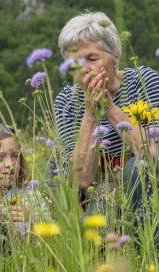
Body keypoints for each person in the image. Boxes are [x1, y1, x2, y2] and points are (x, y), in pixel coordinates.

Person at [54, 12, 159, 199]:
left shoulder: (143, 80)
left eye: (93, 59)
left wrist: (109, 108)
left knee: (137, 167)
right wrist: (91, 114)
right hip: (101, 199)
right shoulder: (66, 102)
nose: (84, 69)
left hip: (147, 190)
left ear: (116, 59)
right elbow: (82, 180)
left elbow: (153, 153)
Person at [0, 124, 50, 230]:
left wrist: (33, 221)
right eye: (0, 157)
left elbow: (51, 238)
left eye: (15, 156)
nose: (10, 164)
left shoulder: (32, 196)